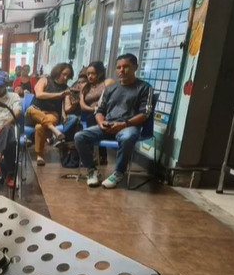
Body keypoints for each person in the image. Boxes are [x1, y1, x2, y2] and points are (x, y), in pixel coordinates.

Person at [75, 54, 153, 189]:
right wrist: (101, 123)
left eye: (126, 67)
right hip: (108, 125)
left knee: (127, 137)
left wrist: (124, 124)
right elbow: (99, 110)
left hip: (129, 126)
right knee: (79, 136)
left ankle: (119, 172)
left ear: (135, 67)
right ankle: (92, 170)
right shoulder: (110, 89)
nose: (121, 70)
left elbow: (145, 114)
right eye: (119, 67)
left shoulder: (144, 88)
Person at [24, 62, 72, 166]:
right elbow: (39, 94)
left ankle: (39, 155)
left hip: (52, 113)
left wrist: (76, 102)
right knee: (31, 110)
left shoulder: (66, 89)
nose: (65, 77)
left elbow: (67, 106)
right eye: (64, 74)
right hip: (34, 112)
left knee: (39, 127)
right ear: (58, 71)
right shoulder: (44, 80)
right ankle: (54, 130)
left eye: (68, 76)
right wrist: (58, 95)